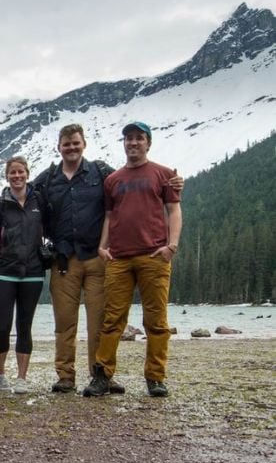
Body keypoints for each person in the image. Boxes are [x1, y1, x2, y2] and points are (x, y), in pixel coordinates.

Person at [33, 123, 182, 394]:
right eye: (66, 143)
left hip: (97, 259)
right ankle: (65, 376)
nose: (71, 147)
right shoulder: (46, 179)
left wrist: (174, 184)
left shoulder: (102, 173)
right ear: (59, 147)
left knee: (101, 322)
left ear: (84, 144)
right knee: (64, 323)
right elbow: (25, 200)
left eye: (76, 142)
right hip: (63, 260)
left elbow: (131, 190)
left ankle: (100, 375)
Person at [84, 122, 182, 398]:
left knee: (156, 321)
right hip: (118, 258)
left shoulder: (163, 175)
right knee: (112, 319)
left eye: (139, 138)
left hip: (154, 256)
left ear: (148, 143)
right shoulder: (113, 180)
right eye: (129, 138)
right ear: (124, 143)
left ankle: (155, 377)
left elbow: (173, 211)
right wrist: (102, 247)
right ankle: (102, 375)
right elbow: (109, 216)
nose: (133, 143)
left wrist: (171, 246)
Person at [0, 157, 46, 394]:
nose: (17, 176)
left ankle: (22, 377)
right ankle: (1, 374)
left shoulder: (39, 201)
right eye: (12, 172)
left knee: (25, 325)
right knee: (3, 326)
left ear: (27, 173)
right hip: (4, 272)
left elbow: (51, 228)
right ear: (7, 176)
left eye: (20, 172)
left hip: (33, 272)